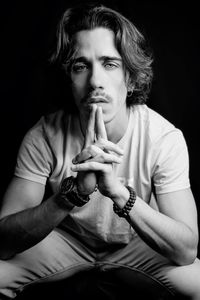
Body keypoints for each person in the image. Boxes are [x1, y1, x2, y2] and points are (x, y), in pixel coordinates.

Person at [0, 3, 200, 299]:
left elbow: (186, 250)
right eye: (81, 66)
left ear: (130, 79)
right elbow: (4, 241)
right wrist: (72, 195)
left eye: (109, 64)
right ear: (69, 79)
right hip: (66, 242)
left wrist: (117, 191)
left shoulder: (163, 138)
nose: (95, 81)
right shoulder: (43, 135)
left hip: (136, 245)